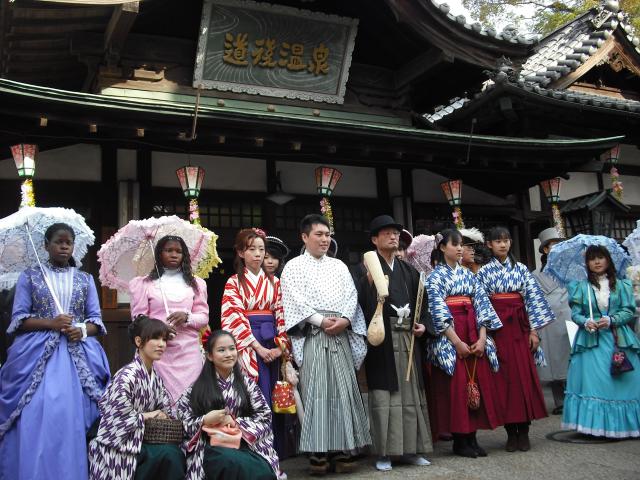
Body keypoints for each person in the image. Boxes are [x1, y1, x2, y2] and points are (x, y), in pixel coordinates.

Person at [0, 223, 110, 479]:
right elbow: (19, 320)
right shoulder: (30, 276)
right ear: (46, 245)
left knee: (76, 416)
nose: (63, 247)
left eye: (68, 242)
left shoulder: (85, 279)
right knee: (37, 414)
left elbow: (96, 321)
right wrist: (52, 323)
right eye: (58, 242)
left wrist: (80, 330)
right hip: (35, 353)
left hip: (79, 353)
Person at [280, 214, 371, 475]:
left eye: (327, 234)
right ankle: (318, 452)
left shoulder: (339, 266)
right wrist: (320, 321)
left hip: (340, 333)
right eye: (318, 234)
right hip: (314, 333)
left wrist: (345, 320)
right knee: (316, 391)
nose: (324, 239)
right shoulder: (293, 267)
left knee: (343, 390)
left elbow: (351, 296)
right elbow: (293, 300)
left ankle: (343, 448)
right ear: (304, 237)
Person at [356, 215, 433, 471]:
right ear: (374, 239)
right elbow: (359, 305)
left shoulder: (408, 271)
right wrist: (368, 285)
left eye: (396, 233)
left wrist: (423, 324)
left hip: (408, 337)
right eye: (387, 233)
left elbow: (423, 303)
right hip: (381, 339)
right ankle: (384, 453)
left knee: (411, 394)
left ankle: (412, 449)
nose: (393, 237)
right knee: (384, 395)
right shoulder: (365, 270)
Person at [426, 229, 504, 458]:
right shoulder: (434, 277)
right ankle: (460, 440)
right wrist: (456, 342)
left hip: (472, 330)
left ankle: (473, 437)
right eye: (455, 244)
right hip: (451, 335)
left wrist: (482, 338)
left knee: (476, 382)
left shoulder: (469, 275)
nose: (460, 248)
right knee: (457, 387)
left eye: (462, 245)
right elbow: (437, 311)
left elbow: (482, 305)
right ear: (442, 247)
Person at [476, 226, 554, 452]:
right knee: (503, 380)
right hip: (498, 331)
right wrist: (486, 335)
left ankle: (525, 430)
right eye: (498, 241)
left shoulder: (521, 269)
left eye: (506, 240)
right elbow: (480, 303)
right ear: (489, 244)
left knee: (523, 378)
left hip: (520, 329)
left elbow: (532, 301)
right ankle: (511, 432)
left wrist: (533, 331)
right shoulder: (483, 272)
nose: (503, 244)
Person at [221, 228, 292, 463]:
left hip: (273, 341)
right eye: (252, 249)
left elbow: (282, 314)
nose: (258, 254)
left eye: (261, 249)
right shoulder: (233, 282)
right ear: (241, 252)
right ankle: (255, 449)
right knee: (254, 394)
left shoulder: (275, 282)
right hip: (249, 344)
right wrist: (257, 347)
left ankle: (277, 449)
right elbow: (233, 316)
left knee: (274, 395)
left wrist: (281, 346)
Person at [89, 315, 185, 479]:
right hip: (118, 444)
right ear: (139, 341)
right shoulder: (126, 376)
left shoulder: (155, 377)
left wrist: (165, 415)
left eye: (164, 339)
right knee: (170, 454)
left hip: (141, 438)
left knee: (175, 451)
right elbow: (115, 420)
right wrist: (149, 415)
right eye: (155, 338)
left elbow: (164, 409)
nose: (161, 344)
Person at [177, 329, 280, 480]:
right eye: (221, 350)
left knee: (260, 471)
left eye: (232, 349)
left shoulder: (248, 384)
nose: (229, 354)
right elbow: (182, 420)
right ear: (209, 356)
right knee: (229, 462)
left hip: (244, 444)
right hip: (210, 447)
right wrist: (204, 420)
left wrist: (235, 422)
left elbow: (264, 418)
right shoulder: (197, 388)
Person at [562, 245, 640, 438]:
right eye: (592, 258)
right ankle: (594, 427)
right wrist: (585, 321)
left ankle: (624, 425)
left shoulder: (622, 285)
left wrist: (612, 320)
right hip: (590, 340)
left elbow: (628, 310)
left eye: (601, 257)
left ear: (608, 259)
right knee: (595, 383)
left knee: (624, 382)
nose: (597, 262)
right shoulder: (581, 287)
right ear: (586, 263)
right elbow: (576, 314)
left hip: (618, 338)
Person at [129, 235, 210, 403]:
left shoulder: (196, 284)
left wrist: (187, 317)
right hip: (157, 353)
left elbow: (203, 317)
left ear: (184, 255)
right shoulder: (144, 284)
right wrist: (160, 328)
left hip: (188, 353)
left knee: (191, 400)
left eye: (178, 251)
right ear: (159, 253)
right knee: (159, 400)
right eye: (169, 250)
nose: (174, 254)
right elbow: (138, 319)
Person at [532, 227, 571, 415]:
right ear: (545, 249)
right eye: (553, 245)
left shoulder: (573, 270)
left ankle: (576, 398)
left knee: (573, 359)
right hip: (549, 322)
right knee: (554, 361)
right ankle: (560, 401)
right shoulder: (535, 275)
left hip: (571, 318)